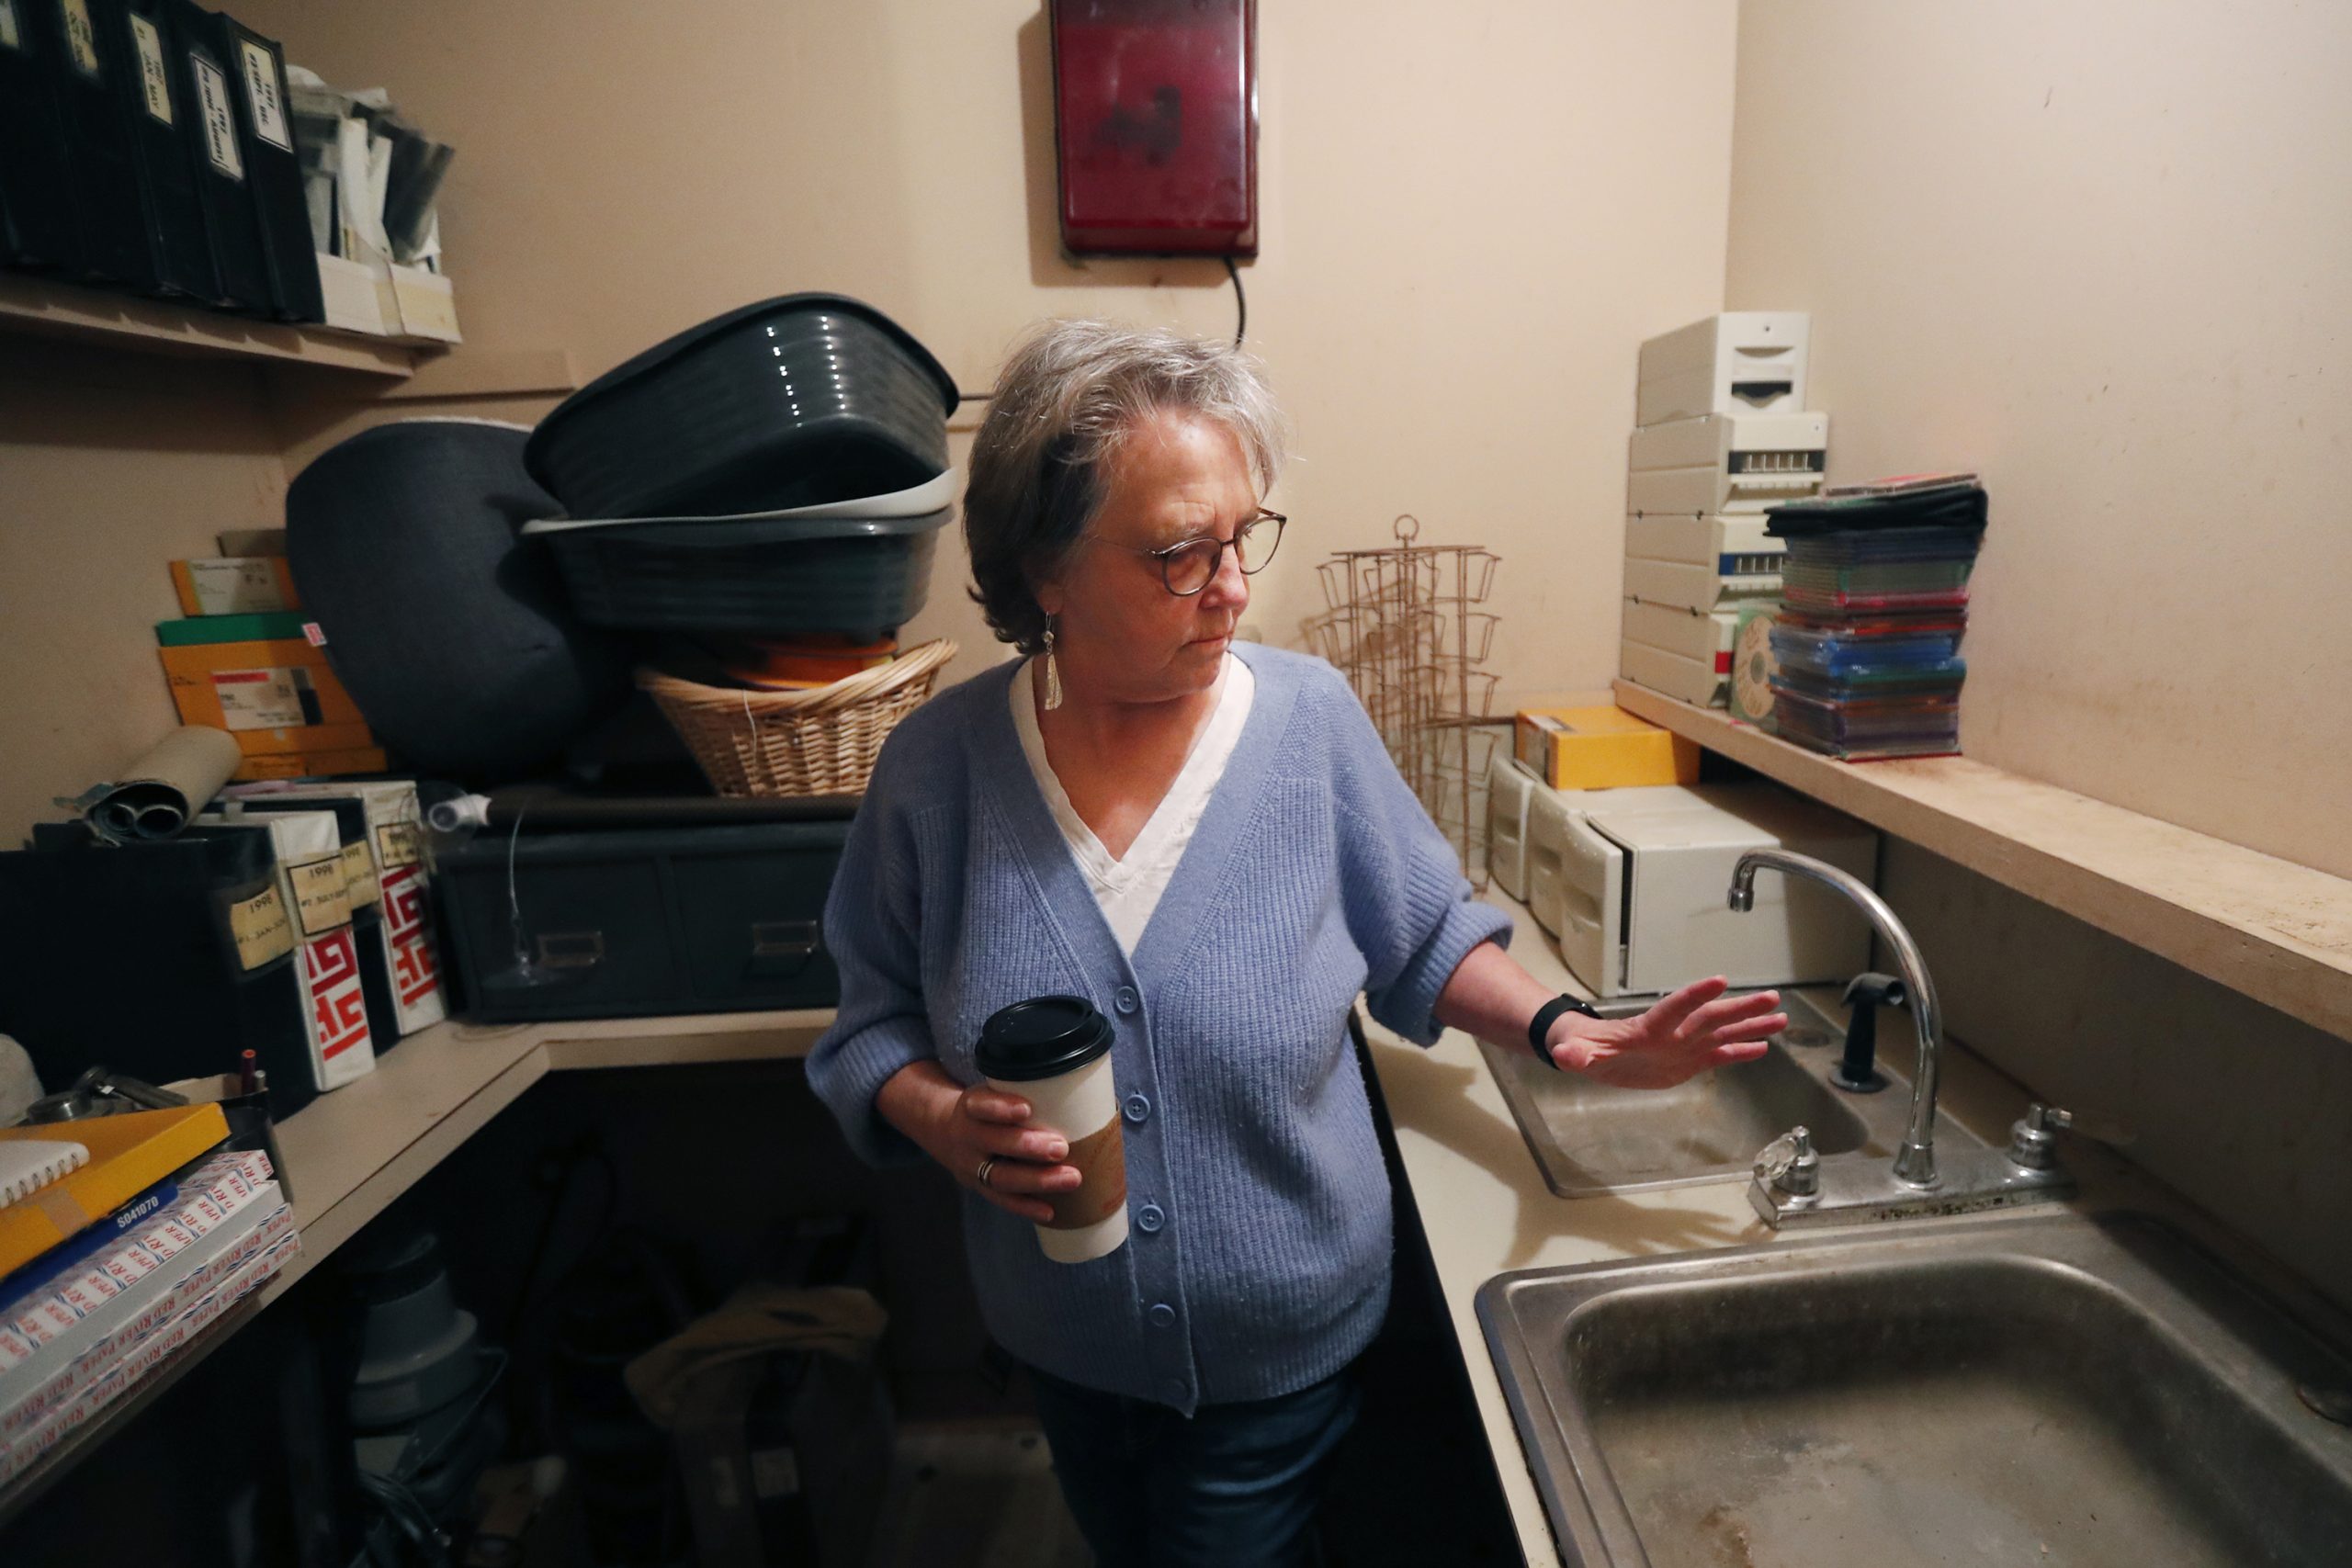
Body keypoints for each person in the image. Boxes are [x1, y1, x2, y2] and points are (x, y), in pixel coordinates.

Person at [806, 320, 1786, 1567]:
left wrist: (1565, 1031)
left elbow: (1422, 936)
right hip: (1060, 1343)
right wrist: (939, 1116)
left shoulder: (1307, 725)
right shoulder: (935, 773)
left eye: (1242, 537)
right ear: (1045, 568)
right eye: (1179, 553)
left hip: (1284, 1354)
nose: (1232, 587)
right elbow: (871, 1022)